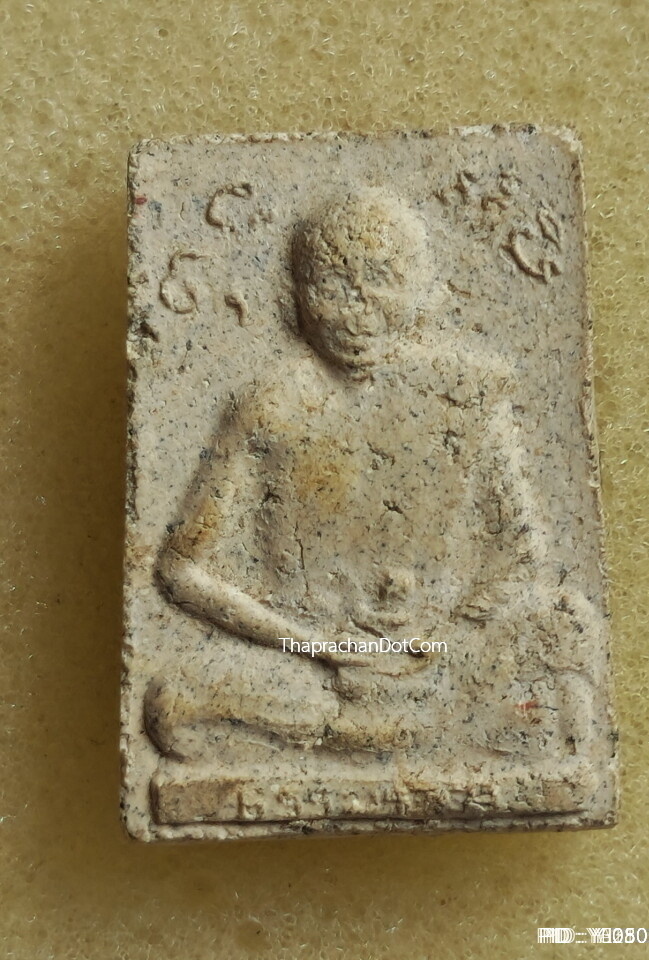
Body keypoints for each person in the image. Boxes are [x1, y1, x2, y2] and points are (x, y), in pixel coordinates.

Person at [145, 188, 587, 764]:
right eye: (331, 286)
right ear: (294, 298)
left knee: (565, 628)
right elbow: (180, 567)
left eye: (381, 279)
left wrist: (444, 637)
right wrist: (317, 645)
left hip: (443, 655)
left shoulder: (470, 394)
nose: (357, 310)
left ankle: (388, 727)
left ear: (424, 290)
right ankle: (397, 731)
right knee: (173, 697)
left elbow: (523, 554)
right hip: (303, 660)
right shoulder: (268, 405)